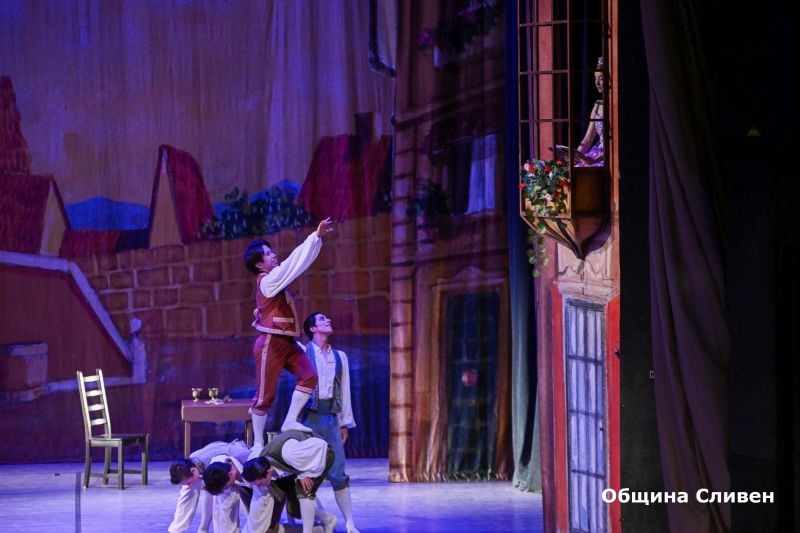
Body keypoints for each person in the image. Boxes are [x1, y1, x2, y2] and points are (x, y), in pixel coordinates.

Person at [243, 217, 335, 448]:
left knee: (309, 375)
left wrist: (316, 239)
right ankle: (258, 443)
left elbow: (298, 265)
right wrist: (314, 236)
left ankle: (290, 420)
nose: (273, 255)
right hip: (271, 343)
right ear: (259, 265)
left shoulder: (274, 280)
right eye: (268, 254)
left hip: (287, 342)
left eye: (271, 251)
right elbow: (292, 264)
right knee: (265, 395)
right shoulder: (268, 280)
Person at [300, 312, 360, 533]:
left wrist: (344, 422)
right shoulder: (302, 352)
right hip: (308, 418)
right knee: (306, 473)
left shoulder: (339, 356)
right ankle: (315, 523)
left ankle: (350, 523)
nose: (329, 321)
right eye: (323, 319)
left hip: (330, 418)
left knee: (338, 471)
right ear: (313, 328)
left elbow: (344, 390)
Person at [243, 430, 334, 533]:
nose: (260, 487)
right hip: (296, 465)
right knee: (294, 510)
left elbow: (319, 445)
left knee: (303, 489)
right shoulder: (261, 464)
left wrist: (303, 473)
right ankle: (328, 520)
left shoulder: (288, 453)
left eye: (260, 484)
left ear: (269, 472)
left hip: (320, 455)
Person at [168, 440, 254, 533]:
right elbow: (205, 492)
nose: (188, 484)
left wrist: (204, 527)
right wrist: (203, 528)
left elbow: (214, 494)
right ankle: (176, 530)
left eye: (188, 482)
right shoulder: (192, 464)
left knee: (224, 493)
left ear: (193, 471)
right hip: (219, 465)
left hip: (240, 461)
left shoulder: (216, 464)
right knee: (188, 490)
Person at [575, 56, 605, 167]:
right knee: (576, 168)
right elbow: (588, 139)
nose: (597, 83)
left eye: (601, 78)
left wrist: (595, 160)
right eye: (595, 78)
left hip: (607, 156)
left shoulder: (616, 107)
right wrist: (575, 156)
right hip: (596, 152)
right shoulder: (597, 105)